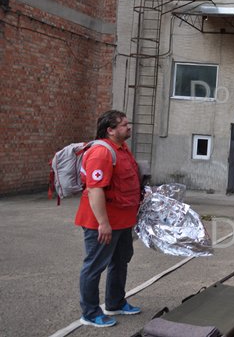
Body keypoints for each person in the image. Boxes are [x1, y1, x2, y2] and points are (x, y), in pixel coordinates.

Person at [75, 110, 142, 328]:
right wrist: (103, 223)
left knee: (120, 262)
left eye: (127, 123)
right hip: (103, 223)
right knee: (94, 266)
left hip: (123, 221)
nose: (128, 127)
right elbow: (95, 190)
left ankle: (115, 302)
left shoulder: (122, 149)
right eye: (123, 125)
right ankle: (91, 313)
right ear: (110, 130)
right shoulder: (102, 153)